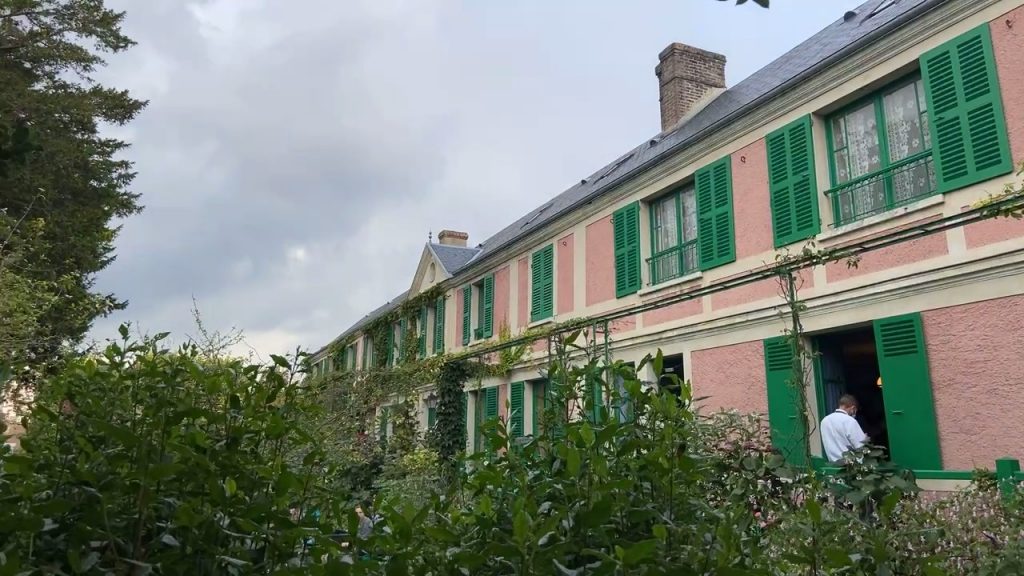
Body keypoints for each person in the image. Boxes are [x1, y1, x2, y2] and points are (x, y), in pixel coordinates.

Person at [820, 394, 868, 464]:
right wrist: (865, 439)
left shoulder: (825, 420)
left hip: (833, 465)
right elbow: (860, 446)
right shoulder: (850, 421)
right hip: (852, 466)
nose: (855, 413)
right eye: (855, 411)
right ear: (853, 408)